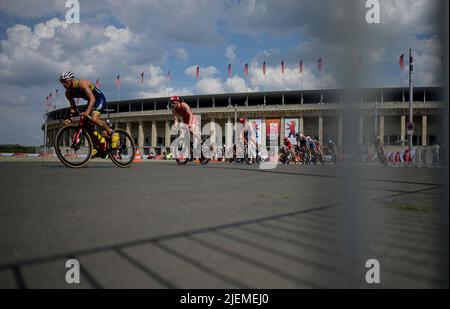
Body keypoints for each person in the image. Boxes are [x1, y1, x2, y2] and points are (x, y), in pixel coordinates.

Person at [59, 70, 119, 150]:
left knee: (94, 118)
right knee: (86, 126)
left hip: (98, 99)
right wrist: (70, 118)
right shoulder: (68, 93)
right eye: (62, 82)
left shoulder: (81, 83)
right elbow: (73, 107)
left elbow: (92, 98)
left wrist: (87, 112)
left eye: (65, 81)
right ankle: (97, 144)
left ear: (71, 80)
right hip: (91, 102)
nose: (63, 84)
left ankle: (113, 134)